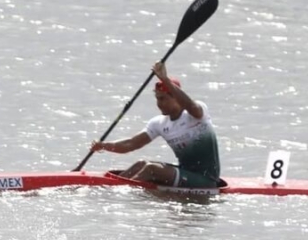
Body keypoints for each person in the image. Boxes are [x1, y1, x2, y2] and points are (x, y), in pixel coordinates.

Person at [89, 61, 221, 189]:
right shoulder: (159, 123)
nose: (159, 104)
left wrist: (165, 79)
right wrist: (103, 145)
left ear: (175, 97)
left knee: (151, 169)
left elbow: (192, 106)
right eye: (157, 98)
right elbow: (130, 144)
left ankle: (123, 193)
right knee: (140, 164)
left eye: (163, 98)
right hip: (185, 172)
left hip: (206, 179)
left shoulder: (196, 114)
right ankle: (111, 188)